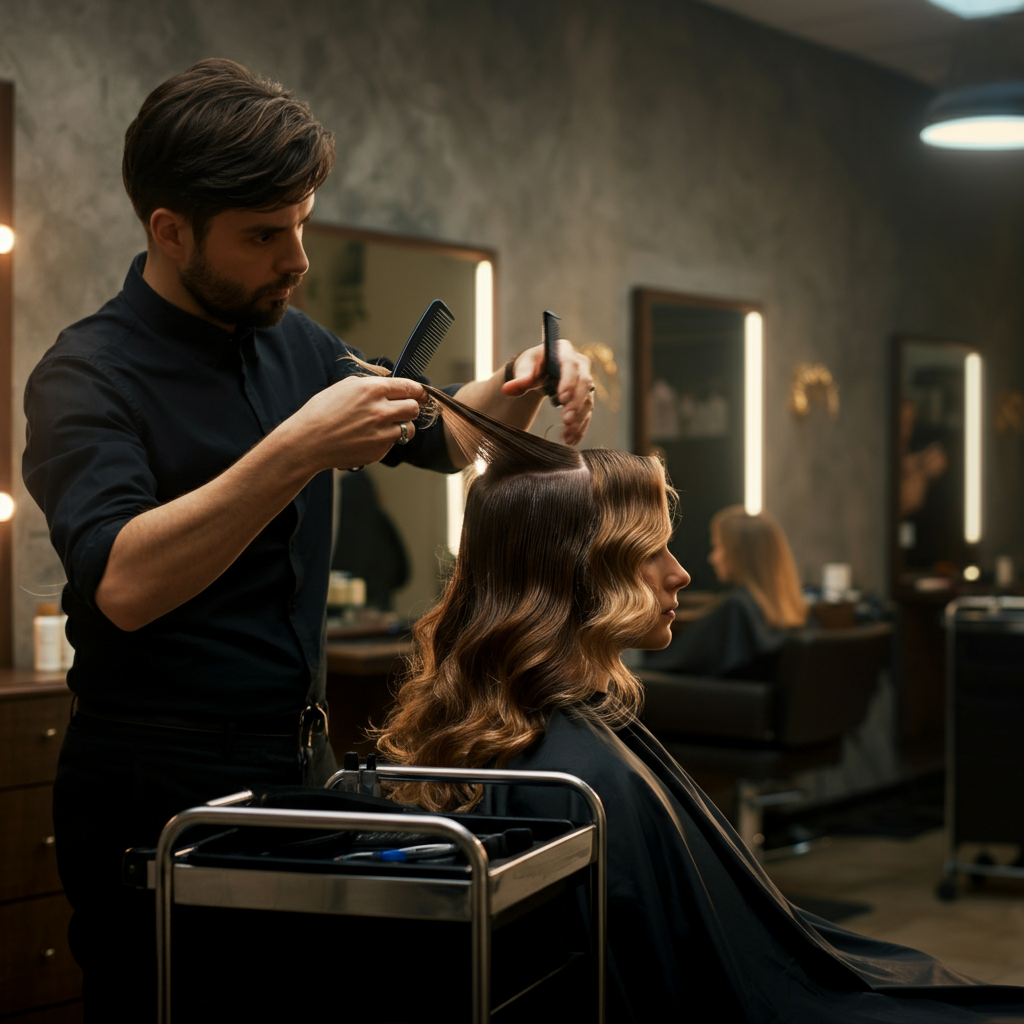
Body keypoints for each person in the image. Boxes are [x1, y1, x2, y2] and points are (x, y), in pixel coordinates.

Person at [22, 59, 595, 1019]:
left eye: (301, 224)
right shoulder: (85, 375)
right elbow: (122, 582)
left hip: (296, 767)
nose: (297, 259)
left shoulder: (301, 343)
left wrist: (525, 379)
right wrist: (294, 451)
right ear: (169, 230)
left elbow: (444, 435)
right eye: (263, 236)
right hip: (152, 787)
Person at [375, 388, 1024, 1022]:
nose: (680, 573)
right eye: (649, 551)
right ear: (576, 571)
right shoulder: (575, 777)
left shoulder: (570, 750)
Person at [643, 503, 808, 679]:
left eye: (718, 547)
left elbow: (671, 665)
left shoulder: (737, 608)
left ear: (739, 554)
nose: (713, 558)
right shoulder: (795, 610)